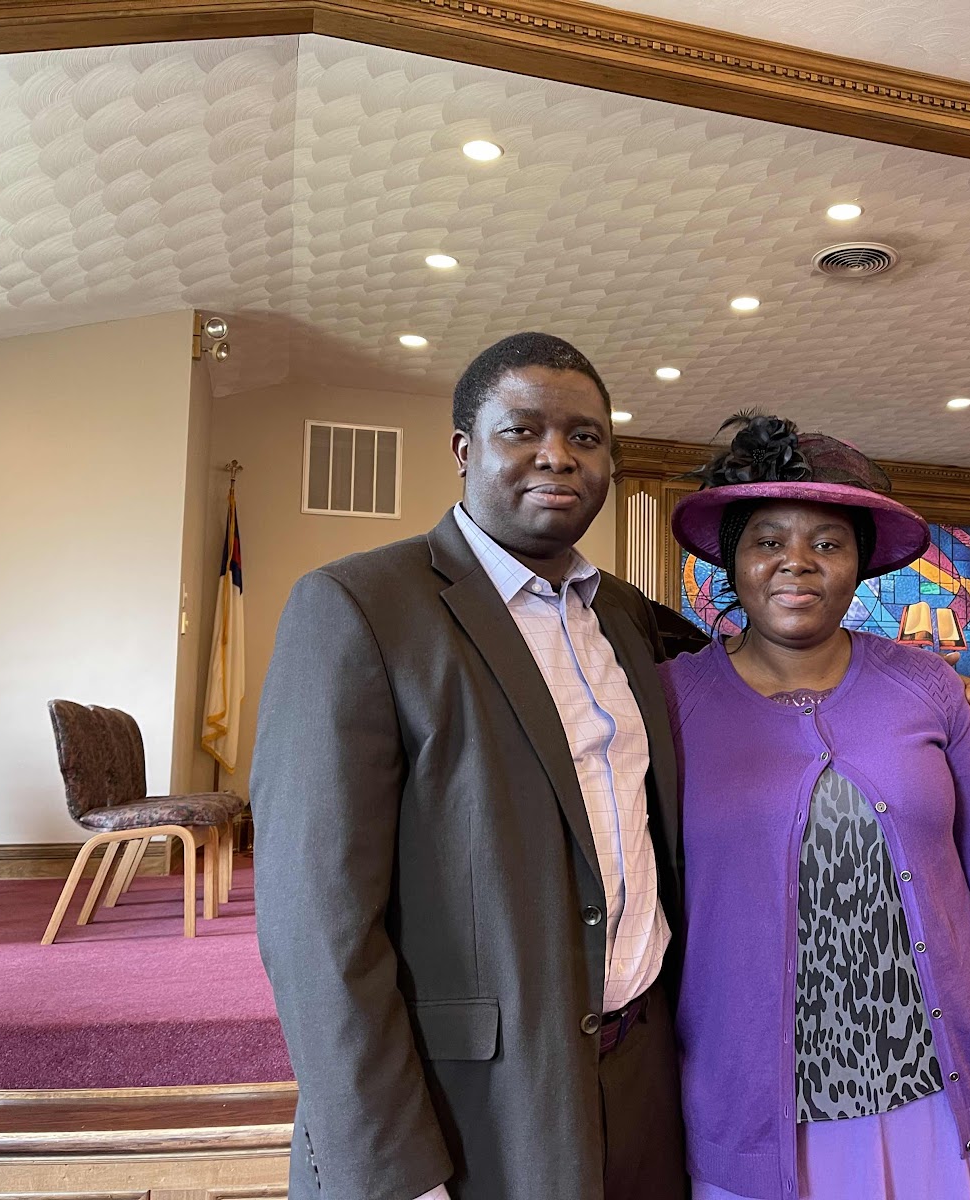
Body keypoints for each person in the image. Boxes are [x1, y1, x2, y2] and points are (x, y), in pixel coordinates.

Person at [250, 333, 688, 1200]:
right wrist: (389, 1171)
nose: (557, 455)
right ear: (463, 449)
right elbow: (315, 925)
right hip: (470, 1100)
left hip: (643, 1073)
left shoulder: (629, 617)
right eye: (522, 430)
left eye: (586, 436)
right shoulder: (359, 607)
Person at [661, 414, 970, 1200]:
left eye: (828, 542)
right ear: (733, 561)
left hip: (941, 1111)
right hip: (753, 1121)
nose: (797, 562)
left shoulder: (930, 688)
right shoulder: (668, 702)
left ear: (859, 566)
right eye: (768, 540)